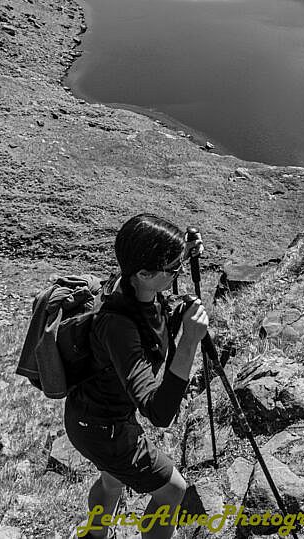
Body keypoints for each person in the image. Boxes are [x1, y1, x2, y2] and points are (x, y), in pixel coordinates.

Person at [66, 214, 208, 539]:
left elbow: (155, 296)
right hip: (105, 430)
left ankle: (96, 535)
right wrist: (189, 342)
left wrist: (183, 252)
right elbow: (158, 413)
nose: (179, 273)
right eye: (174, 269)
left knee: (112, 480)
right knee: (173, 490)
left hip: (87, 418)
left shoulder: (130, 285)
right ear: (144, 273)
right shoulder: (118, 327)